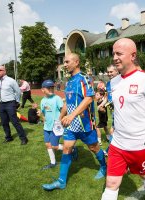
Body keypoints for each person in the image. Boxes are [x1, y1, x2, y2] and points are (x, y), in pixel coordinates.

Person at [101, 38, 145, 200]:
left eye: (119, 53)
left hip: (139, 144)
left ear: (133, 55)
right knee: (111, 184)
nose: (115, 57)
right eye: (113, 53)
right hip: (117, 143)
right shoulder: (114, 81)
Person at [42, 53, 106, 191]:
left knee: (94, 148)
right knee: (66, 148)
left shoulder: (84, 78)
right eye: (64, 62)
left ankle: (103, 166)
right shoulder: (69, 81)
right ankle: (61, 181)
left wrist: (71, 116)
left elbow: (89, 98)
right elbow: (67, 103)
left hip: (85, 124)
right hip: (71, 125)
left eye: (67, 62)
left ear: (76, 62)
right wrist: (59, 118)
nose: (64, 64)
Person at [0, 66, 28, 145]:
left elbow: (18, 92)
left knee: (15, 121)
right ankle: (8, 137)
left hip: (10, 103)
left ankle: (23, 138)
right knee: (4, 122)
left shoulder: (11, 80)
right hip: (1, 104)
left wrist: (17, 102)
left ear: (4, 71)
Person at [40, 79, 64, 170]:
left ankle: (72, 149)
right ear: (43, 90)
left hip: (56, 126)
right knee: (48, 145)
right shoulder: (42, 101)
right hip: (47, 127)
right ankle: (53, 163)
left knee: (54, 146)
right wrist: (43, 118)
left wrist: (61, 121)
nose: (51, 89)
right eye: (48, 88)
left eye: (52, 88)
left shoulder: (57, 98)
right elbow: (43, 113)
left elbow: (63, 110)